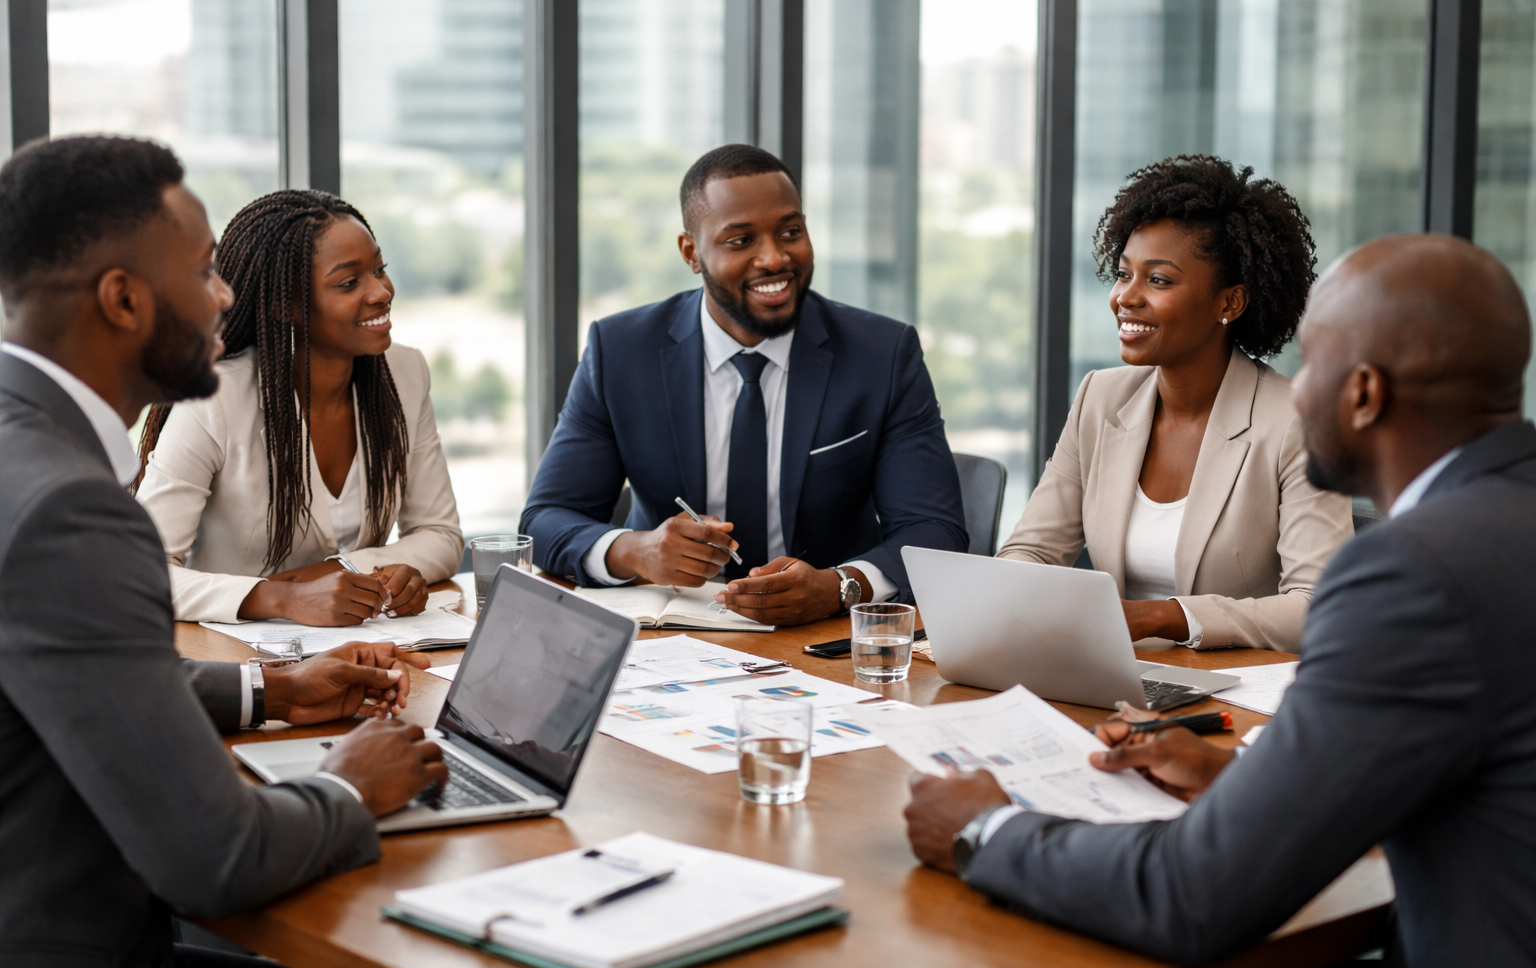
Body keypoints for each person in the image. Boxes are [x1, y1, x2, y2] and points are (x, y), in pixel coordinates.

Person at [903, 233, 1536, 968]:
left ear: (1364, 394)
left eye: (1313, 364)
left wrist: (986, 830)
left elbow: (1194, 895)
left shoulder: (1413, 575)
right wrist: (1237, 778)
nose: (1295, 391)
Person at [0, 135, 449, 968]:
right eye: (205, 271)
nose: (226, 297)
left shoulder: (25, 448)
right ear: (123, 299)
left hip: (66, 942)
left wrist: (269, 689)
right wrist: (352, 783)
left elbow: (74, 674)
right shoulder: (67, 509)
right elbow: (217, 858)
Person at [519, 144, 967, 626]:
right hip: (672, 638)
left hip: (824, 637)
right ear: (692, 252)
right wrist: (637, 550)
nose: (774, 258)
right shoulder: (621, 351)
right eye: (740, 241)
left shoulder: (882, 353)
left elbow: (933, 531)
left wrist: (841, 586)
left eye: (790, 232)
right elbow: (545, 520)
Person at [998, 156, 1353, 652]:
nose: (1127, 297)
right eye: (1124, 275)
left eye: (1158, 280)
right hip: (1112, 678)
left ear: (1229, 303)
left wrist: (1163, 618)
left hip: (1231, 697)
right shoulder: (1100, 397)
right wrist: (1004, 595)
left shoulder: (1296, 421)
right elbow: (1033, 550)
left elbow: (1318, 606)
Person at [136, 190, 463, 625]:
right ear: (284, 304)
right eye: (349, 282)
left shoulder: (405, 372)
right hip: (234, 664)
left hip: (361, 650)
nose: (382, 292)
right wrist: (281, 598)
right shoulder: (214, 399)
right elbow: (141, 573)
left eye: (379, 269)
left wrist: (347, 572)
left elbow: (440, 534)